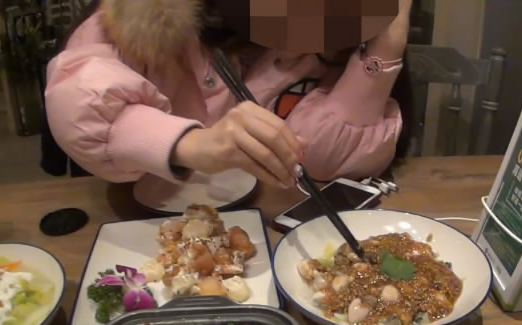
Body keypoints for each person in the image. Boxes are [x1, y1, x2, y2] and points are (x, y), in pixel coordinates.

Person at [44, 0, 413, 189]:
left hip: (261, 238)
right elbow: (76, 95)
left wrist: (386, 48)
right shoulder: (150, 16)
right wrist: (190, 144)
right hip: (143, 228)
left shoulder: (342, 44)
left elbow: (320, 159)